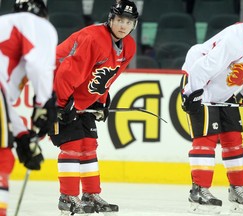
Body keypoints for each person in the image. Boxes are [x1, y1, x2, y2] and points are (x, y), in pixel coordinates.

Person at [180, 3, 243, 214]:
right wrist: (191, 92)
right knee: (206, 138)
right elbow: (203, 66)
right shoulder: (235, 39)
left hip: (226, 91)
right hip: (201, 83)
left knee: (233, 139)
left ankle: (237, 188)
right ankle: (199, 190)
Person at [48, 0, 139, 215]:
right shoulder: (93, 38)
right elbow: (66, 71)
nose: (123, 25)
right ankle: (68, 197)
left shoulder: (129, 46)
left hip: (78, 96)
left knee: (89, 144)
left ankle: (90, 194)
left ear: (133, 24)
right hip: (55, 89)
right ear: (110, 20)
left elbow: (106, 76)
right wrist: (61, 104)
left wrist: (100, 99)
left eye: (128, 21)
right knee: (73, 144)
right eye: (119, 20)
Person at [0, 0, 58, 216]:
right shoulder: (37, 24)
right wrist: (44, 103)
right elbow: (38, 65)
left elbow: (2, 105)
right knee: (2, 158)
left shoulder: (6, 22)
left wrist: (22, 135)